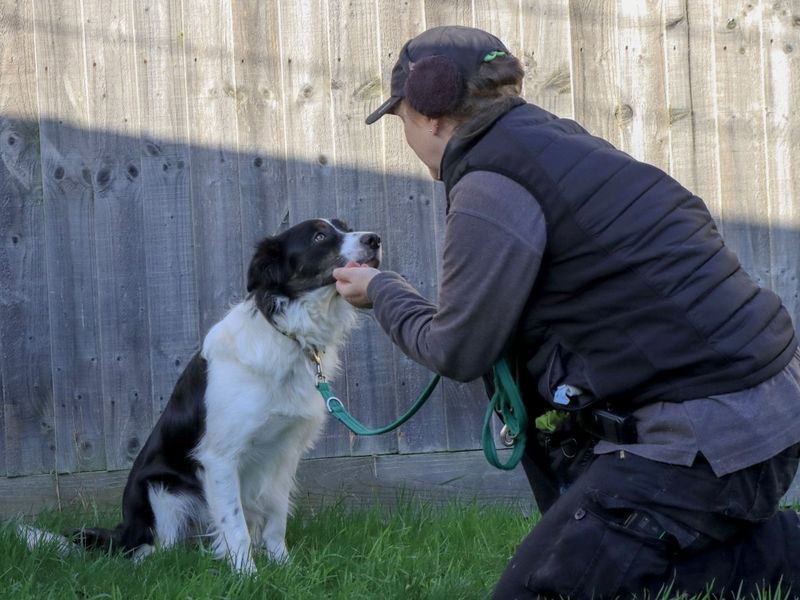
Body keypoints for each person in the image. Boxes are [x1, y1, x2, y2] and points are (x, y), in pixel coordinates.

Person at [333, 25, 800, 599]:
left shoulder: (490, 185)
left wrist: (382, 289)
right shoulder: (560, 143)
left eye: (402, 120)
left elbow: (457, 350)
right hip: (770, 413)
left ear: (430, 115)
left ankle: (776, 556)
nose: (407, 135)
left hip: (708, 442)